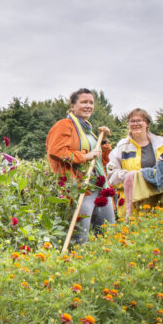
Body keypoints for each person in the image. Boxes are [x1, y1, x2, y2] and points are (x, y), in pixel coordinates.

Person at [46, 88, 115, 244]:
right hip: (81, 188)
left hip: (100, 187)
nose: (88, 106)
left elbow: (98, 163)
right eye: (84, 102)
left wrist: (103, 143)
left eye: (91, 102)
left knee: (108, 234)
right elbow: (56, 151)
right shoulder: (65, 125)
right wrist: (84, 156)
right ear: (73, 105)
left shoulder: (88, 131)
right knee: (80, 237)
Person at [107, 108, 163, 220]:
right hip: (134, 206)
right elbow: (112, 177)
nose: (135, 124)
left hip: (162, 203)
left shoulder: (162, 145)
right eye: (132, 121)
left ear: (147, 123)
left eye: (139, 120)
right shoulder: (121, 148)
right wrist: (137, 176)